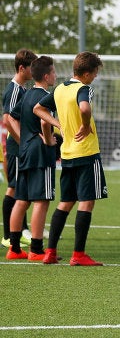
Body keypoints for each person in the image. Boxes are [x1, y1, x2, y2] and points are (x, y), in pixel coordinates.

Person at [33, 51, 108, 266]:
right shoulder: (84, 89)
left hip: (67, 153)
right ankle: (78, 254)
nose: (95, 77)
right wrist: (85, 125)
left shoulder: (60, 89)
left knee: (65, 202)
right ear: (86, 73)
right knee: (87, 201)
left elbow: (38, 109)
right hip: (86, 152)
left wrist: (59, 125)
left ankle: (49, 252)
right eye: (94, 73)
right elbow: (84, 108)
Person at [5, 56, 57, 260]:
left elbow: (9, 118)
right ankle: (36, 249)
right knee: (42, 201)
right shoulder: (45, 96)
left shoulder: (26, 95)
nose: (55, 75)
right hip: (40, 153)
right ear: (46, 76)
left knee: (21, 199)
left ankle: (15, 248)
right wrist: (46, 139)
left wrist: (23, 140)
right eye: (53, 72)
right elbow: (44, 122)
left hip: (24, 151)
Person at [2, 49, 36, 249]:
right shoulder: (14, 90)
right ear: (22, 68)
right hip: (16, 148)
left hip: (20, 146)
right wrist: (23, 143)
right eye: (31, 67)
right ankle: (7, 235)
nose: (34, 71)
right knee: (13, 188)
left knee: (21, 188)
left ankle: (20, 231)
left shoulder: (22, 89)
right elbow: (8, 120)